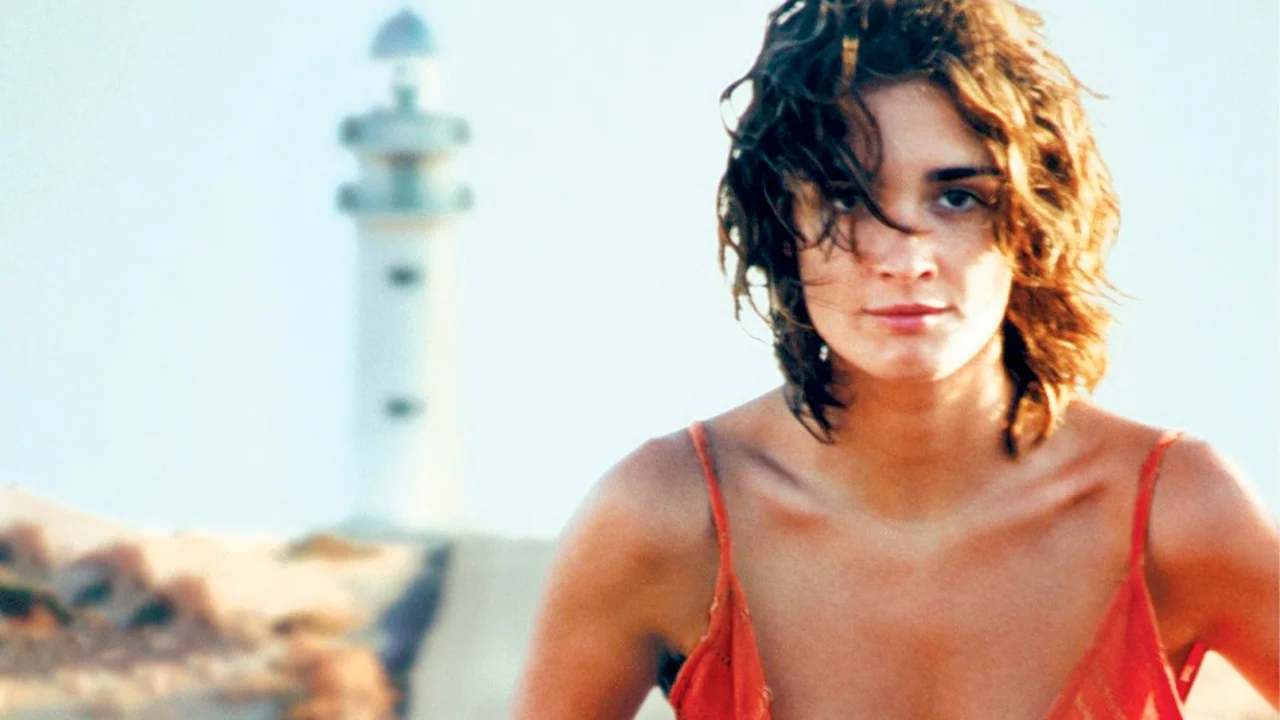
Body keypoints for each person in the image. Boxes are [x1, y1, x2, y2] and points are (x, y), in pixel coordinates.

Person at [510, 0, 1279, 717]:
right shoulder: (666, 520)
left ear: (1032, 218)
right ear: (781, 224)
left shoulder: (1177, 513)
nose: (906, 259)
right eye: (847, 197)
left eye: (957, 197)